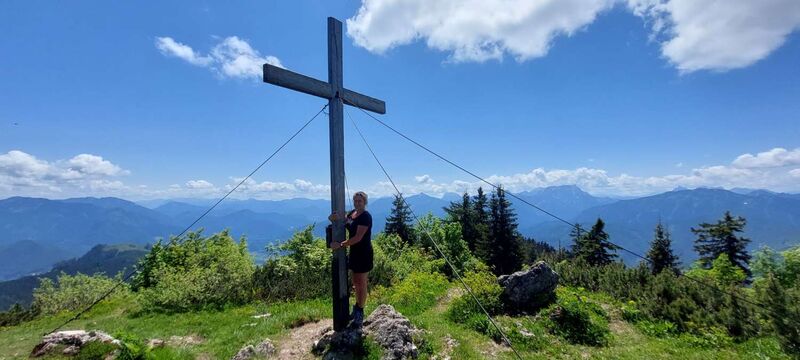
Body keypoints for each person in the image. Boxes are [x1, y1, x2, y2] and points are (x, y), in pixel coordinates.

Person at [328, 191, 373, 327]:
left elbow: (357, 238)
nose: (357, 203)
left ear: (365, 202)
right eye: (355, 201)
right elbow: (343, 221)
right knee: (356, 282)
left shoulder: (365, 217)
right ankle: (357, 307)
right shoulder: (352, 214)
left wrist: (340, 245)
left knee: (361, 283)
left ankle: (360, 312)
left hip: (364, 253)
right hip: (354, 253)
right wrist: (332, 218)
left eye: (360, 201)